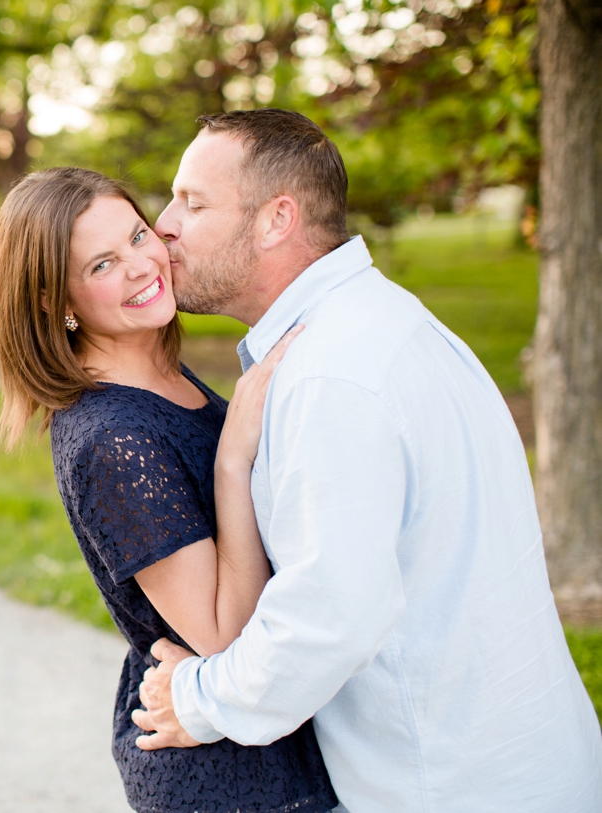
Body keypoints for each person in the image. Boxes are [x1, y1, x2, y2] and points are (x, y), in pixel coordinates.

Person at [132, 109, 602, 811]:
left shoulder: (334, 373)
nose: (164, 224)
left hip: (453, 786)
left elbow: (331, 610)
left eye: (193, 202)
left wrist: (197, 696)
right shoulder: (383, 320)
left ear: (275, 219)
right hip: (518, 761)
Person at [0, 166, 338, 813]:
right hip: (232, 782)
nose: (141, 265)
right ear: (54, 301)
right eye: (101, 265)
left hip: (266, 748)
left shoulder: (162, 378)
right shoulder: (112, 438)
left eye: (139, 236)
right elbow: (221, 634)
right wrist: (233, 455)